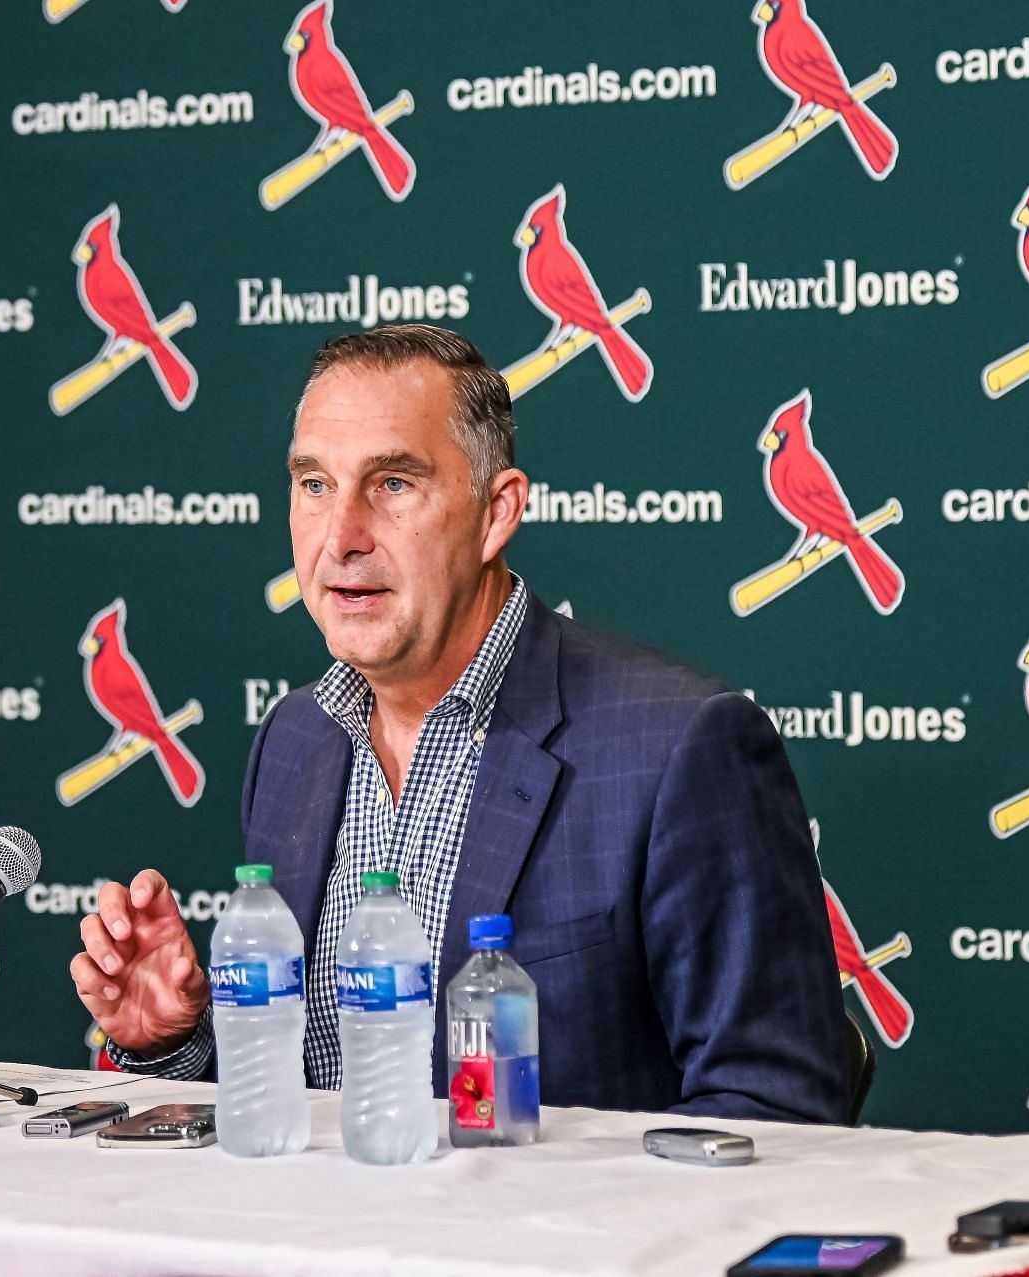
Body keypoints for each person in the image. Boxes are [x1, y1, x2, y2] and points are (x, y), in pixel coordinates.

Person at [70, 324, 854, 1121]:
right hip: (317, 1243)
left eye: (393, 484)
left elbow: (779, 1114)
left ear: (496, 512)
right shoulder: (295, 739)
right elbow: (296, 1114)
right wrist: (175, 1044)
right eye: (314, 485)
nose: (341, 537)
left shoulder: (679, 747)